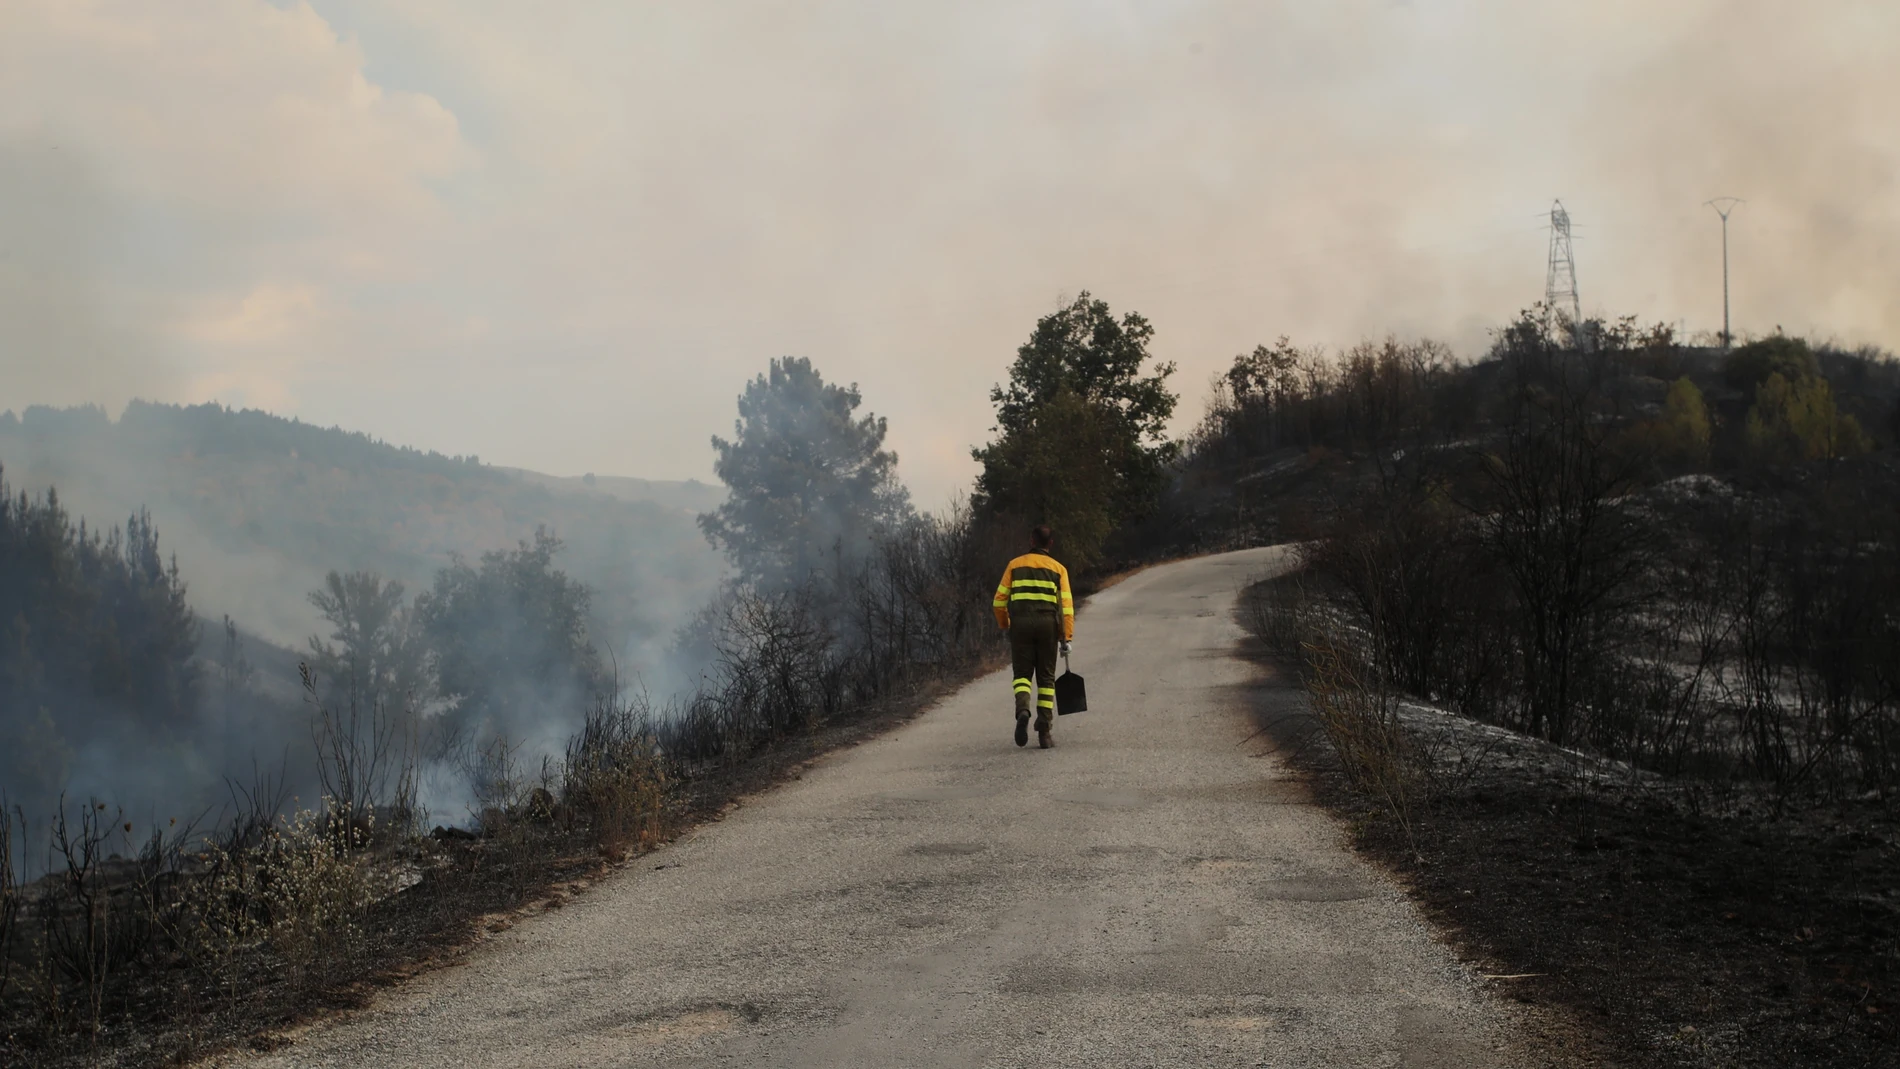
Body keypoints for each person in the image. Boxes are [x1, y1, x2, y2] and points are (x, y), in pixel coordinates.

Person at [991, 524, 1074, 749]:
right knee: (1046, 679)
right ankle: (1044, 733)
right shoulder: (1059, 569)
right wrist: (1066, 637)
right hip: (1048, 626)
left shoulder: (1014, 565)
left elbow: (998, 601)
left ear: (1031, 541)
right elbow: (1065, 606)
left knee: (1022, 675)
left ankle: (1023, 711)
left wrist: (1005, 623)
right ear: (1050, 544)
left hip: (1020, 626)